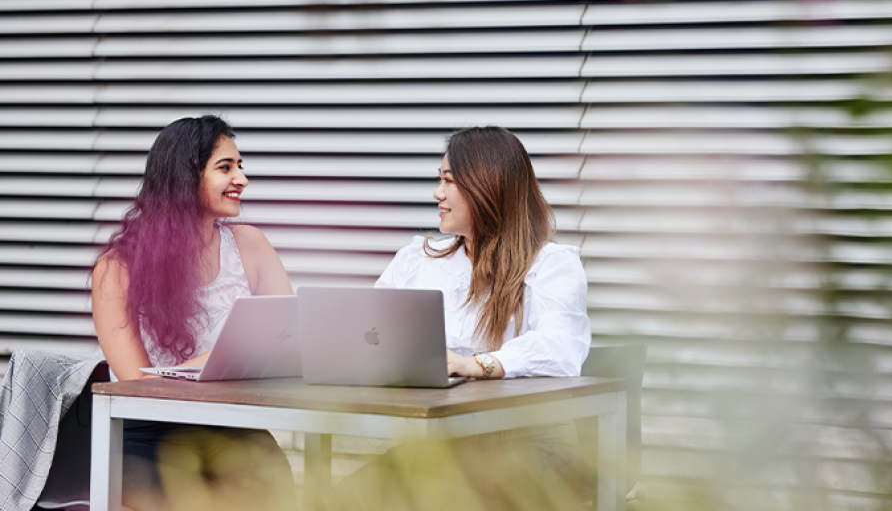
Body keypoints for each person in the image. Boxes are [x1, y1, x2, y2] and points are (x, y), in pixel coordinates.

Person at [345, 125, 591, 510]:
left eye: (448, 181)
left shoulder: (551, 266)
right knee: (344, 498)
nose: (437, 193)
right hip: (442, 444)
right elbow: (369, 330)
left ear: (486, 186)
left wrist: (474, 364)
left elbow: (559, 347)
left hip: (528, 444)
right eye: (438, 180)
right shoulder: (418, 260)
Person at [91, 116, 296, 511]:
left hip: (233, 428)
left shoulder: (249, 245)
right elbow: (136, 391)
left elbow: (288, 337)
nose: (242, 179)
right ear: (185, 176)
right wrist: (217, 361)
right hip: (146, 438)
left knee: (276, 489)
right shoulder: (117, 269)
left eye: (241, 166)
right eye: (225, 167)